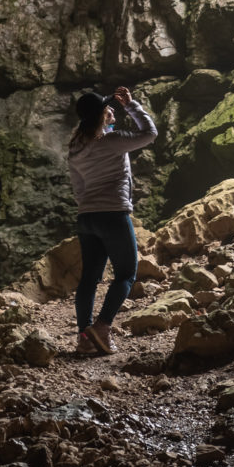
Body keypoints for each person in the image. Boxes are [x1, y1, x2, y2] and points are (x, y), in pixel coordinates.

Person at [68, 85, 157, 355]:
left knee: (89, 279)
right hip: (113, 214)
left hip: (86, 217)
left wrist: (89, 206)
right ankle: (103, 327)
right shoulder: (112, 141)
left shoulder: (76, 147)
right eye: (108, 106)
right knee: (127, 274)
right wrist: (131, 106)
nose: (112, 108)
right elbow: (149, 133)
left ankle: (84, 337)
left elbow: (78, 188)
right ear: (101, 115)